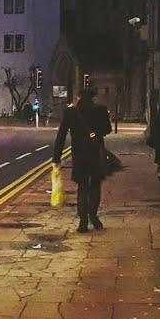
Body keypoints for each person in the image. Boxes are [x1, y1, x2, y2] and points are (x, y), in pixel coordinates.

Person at [52, 86, 112, 233]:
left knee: (82, 187)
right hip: (96, 152)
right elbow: (108, 129)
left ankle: (83, 222)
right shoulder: (101, 110)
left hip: (79, 154)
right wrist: (96, 132)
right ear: (92, 97)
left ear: (79, 97)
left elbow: (61, 135)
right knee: (95, 186)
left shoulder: (71, 112)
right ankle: (94, 217)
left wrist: (57, 157)